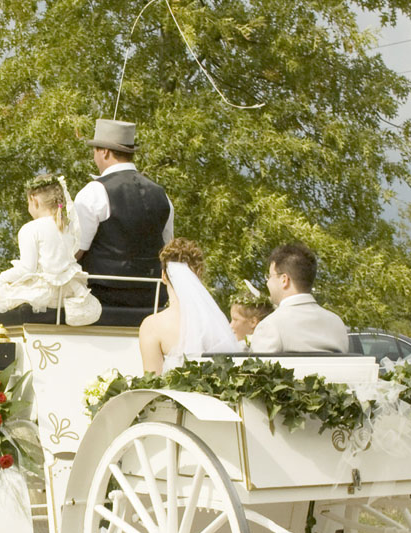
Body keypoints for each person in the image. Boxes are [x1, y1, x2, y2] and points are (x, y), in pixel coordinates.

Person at [0, 174, 102, 327]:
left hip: (47, 294)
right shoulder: (68, 227)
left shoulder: (31, 229)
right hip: (68, 291)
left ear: (34, 200)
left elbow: (27, 268)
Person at [74, 119, 175, 308]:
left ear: (104, 152)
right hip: (152, 298)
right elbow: (167, 249)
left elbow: (77, 248)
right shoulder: (162, 194)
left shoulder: (94, 191)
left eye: (95, 150)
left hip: (103, 295)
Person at [139, 238, 239, 374]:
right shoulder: (217, 322)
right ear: (198, 274)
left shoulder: (152, 326)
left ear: (163, 275)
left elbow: (151, 382)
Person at [251, 243, 348, 353]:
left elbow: (258, 369)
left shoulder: (270, 326)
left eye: (269, 276)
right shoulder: (337, 323)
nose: (267, 283)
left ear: (284, 280)